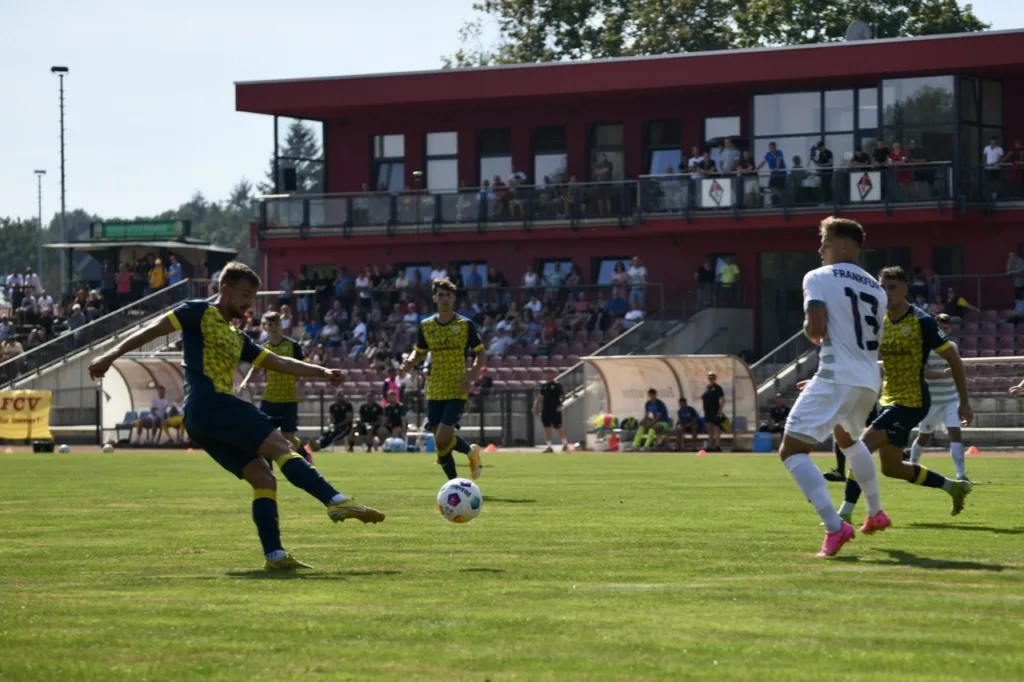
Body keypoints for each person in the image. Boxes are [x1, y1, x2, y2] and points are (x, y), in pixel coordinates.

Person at [87, 261, 385, 571]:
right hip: (210, 402)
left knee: (263, 477)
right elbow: (152, 330)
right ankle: (335, 501)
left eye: (252, 297)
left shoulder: (237, 337)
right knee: (281, 446)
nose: (248, 304)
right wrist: (110, 355)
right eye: (244, 295)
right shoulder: (197, 312)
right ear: (225, 289)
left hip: (203, 417)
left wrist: (322, 372)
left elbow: (279, 362)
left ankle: (275, 556)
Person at [778, 217, 888, 558]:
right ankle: (875, 511)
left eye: (825, 243)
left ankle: (834, 526)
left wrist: (811, 330)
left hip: (838, 374)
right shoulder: (877, 288)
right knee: (849, 441)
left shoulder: (818, 277)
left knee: (792, 450)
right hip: (868, 379)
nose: (820, 250)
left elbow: (815, 328)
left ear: (842, 246)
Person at [839, 266, 973, 523]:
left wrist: (964, 403)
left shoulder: (922, 321)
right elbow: (857, 354)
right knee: (892, 468)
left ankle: (844, 514)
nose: (886, 293)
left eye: (892, 288)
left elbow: (954, 359)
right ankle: (953, 487)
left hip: (913, 400)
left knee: (861, 448)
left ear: (905, 290)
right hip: (888, 398)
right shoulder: (878, 319)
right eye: (882, 288)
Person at [399, 278, 485, 480]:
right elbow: (419, 351)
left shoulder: (465, 325)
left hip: (457, 387)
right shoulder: (426, 326)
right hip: (434, 388)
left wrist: (471, 375)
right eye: (441, 295)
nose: (445, 298)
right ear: (434, 298)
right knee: (440, 443)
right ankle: (456, 480)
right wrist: (410, 361)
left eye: (448, 295)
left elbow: (481, 354)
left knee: (443, 437)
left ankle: (466, 462)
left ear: (454, 298)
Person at [239, 311, 310, 464]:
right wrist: (245, 381)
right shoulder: (264, 348)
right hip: (269, 397)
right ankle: (268, 468)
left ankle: (304, 454)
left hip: (288, 398)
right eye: (270, 324)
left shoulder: (292, 345)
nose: (274, 327)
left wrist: (301, 384)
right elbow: (256, 368)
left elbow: (305, 366)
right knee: (264, 434)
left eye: (277, 324)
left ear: (281, 325)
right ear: (265, 327)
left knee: (288, 436)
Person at [909, 314, 968, 482]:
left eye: (945, 328)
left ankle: (961, 474)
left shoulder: (952, 347)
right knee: (924, 436)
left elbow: (958, 369)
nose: (942, 331)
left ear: (950, 329)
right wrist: (943, 374)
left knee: (955, 433)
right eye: (939, 328)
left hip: (950, 398)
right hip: (931, 400)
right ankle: (912, 465)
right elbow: (921, 372)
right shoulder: (925, 348)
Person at [533, 368, 569, 453]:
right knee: (547, 428)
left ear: (552, 374)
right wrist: (535, 406)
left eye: (549, 373)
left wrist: (560, 405)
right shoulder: (544, 386)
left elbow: (563, 396)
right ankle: (549, 446)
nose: (547, 375)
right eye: (546, 373)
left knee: (558, 427)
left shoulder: (557, 385)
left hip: (555, 409)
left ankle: (565, 444)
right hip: (546, 409)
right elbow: (540, 397)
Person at [701, 372, 726, 452]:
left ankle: (717, 446)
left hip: (715, 411)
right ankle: (710, 445)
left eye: (712, 378)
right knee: (710, 429)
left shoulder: (718, 388)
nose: (711, 379)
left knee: (716, 428)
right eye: (709, 378)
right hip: (707, 411)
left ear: (715, 379)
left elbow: (722, 399)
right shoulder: (707, 388)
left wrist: (720, 410)